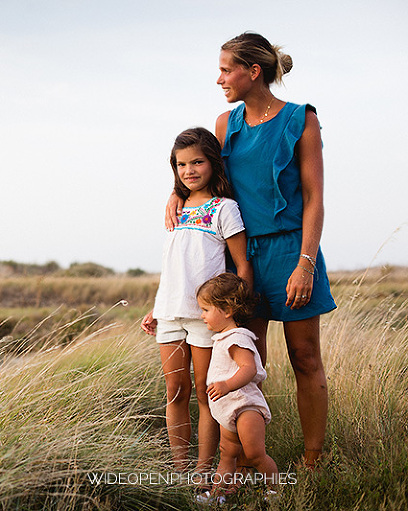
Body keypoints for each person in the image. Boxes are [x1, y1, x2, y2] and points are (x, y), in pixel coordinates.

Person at [166, 32, 336, 468]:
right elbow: (205, 174)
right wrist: (175, 193)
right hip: (240, 255)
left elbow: (315, 197)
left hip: (291, 251)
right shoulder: (226, 124)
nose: (219, 78)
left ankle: (312, 459)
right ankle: (238, 460)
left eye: (226, 69)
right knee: (241, 359)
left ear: (252, 71)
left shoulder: (302, 119)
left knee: (304, 355)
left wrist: (306, 261)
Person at [142, 127, 252, 473]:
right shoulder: (175, 209)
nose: (189, 170)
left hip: (206, 316)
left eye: (197, 162)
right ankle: (180, 471)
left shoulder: (225, 209)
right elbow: (176, 266)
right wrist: (157, 306)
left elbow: (242, 264)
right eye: (181, 164)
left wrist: (233, 309)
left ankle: (203, 473)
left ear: (213, 164)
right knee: (175, 391)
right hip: (170, 314)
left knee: (206, 394)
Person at [196, 273, 278, 501]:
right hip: (229, 408)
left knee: (254, 454)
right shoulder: (224, 337)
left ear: (227, 311)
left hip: (245, 407)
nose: (202, 316)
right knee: (227, 454)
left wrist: (226, 385)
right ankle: (218, 494)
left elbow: (249, 368)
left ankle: (275, 491)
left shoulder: (237, 338)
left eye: (206, 309)